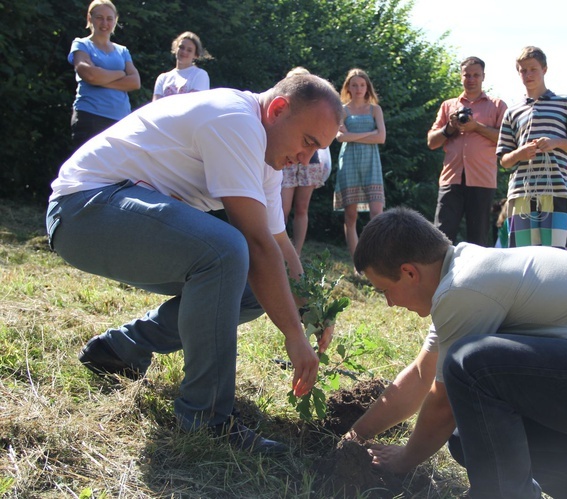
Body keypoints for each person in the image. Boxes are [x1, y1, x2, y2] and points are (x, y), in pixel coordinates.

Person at [46, 74, 344, 454]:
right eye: (307, 142)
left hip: (110, 217)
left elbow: (278, 243)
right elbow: (256, 245)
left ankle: (120, 350)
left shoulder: (269, 157)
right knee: (226, 252)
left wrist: (313, 308)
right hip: (82, 211)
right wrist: (294, 335)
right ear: (279, 109)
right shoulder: (236, 121)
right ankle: (207, 417)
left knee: (254, 290)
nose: (305, 160)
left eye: (316, 150)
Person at [347, 206, 567, 498]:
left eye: (384, 291)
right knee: (471, 438)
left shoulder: (464, 287)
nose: (389, 303)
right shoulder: (462, 277)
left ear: (409, 272)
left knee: (469, 364)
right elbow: (423, 375)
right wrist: (353, 438)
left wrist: (403, 460)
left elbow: (442, 402)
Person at [497, 46, 567, 250]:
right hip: (521, 192)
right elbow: (504, 160)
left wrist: (555, 142)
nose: (528, 74)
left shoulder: (565, 103)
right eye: (523, 70)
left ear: (544, 69)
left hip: (556, 191)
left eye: (533, 69)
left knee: (556, 258)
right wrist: (520, 153)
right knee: (522, 259)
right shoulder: (512, 111)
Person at [427, 57, 507, 247]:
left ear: (483, 77)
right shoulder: (448, 106)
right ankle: (441, 277)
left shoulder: (497, 106)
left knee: (478, 239)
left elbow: (507, 138)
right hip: (451, 178)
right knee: (441, 237)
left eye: (475, 75)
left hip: (482, 180)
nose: (471, 79)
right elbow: (431, 142)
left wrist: (476, 127)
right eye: (467, 75)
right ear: (461, 77)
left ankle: (475, 277)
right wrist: (449, 128)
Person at [69, 0, 141, 149]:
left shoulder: (122, 51)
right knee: (89, 170)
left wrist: (100, 79)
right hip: (90, 117)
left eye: (109, 19)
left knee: (116, 171)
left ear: (115, 21)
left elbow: (135, 82)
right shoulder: (81, 44)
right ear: (90, 18)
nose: (104, 23)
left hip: (120, 120)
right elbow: (89, 75)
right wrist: (121, 73)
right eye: (99, 17)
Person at [333, 68, 386, 259]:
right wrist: (369, 133)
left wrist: (353, 136)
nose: (358, 88)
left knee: (377, 213)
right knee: (351, 215)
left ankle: (376, 257)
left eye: (362, 85)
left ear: (367, 87)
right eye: (354, 85)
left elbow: (381, 138)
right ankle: (357, 261)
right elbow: (340, 137)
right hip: (349, 163)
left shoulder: (375, 109)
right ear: (348, 87)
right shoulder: (343, 110)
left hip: (372, 164)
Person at [279, 67, 332, 255]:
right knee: (282, 209)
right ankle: (278, 251)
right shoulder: (283, 106)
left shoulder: (316, 106)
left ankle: (297, 253)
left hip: (312, 161)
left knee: (302, 208)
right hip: (287, 160)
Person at [152, 31, 211, 101]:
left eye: (189, 50)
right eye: (181, 47)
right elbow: (155, 106)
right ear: (175, 48)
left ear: (195, 55)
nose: (184, 52)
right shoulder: (163, 78)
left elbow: (194, 104)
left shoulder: (200, 75)